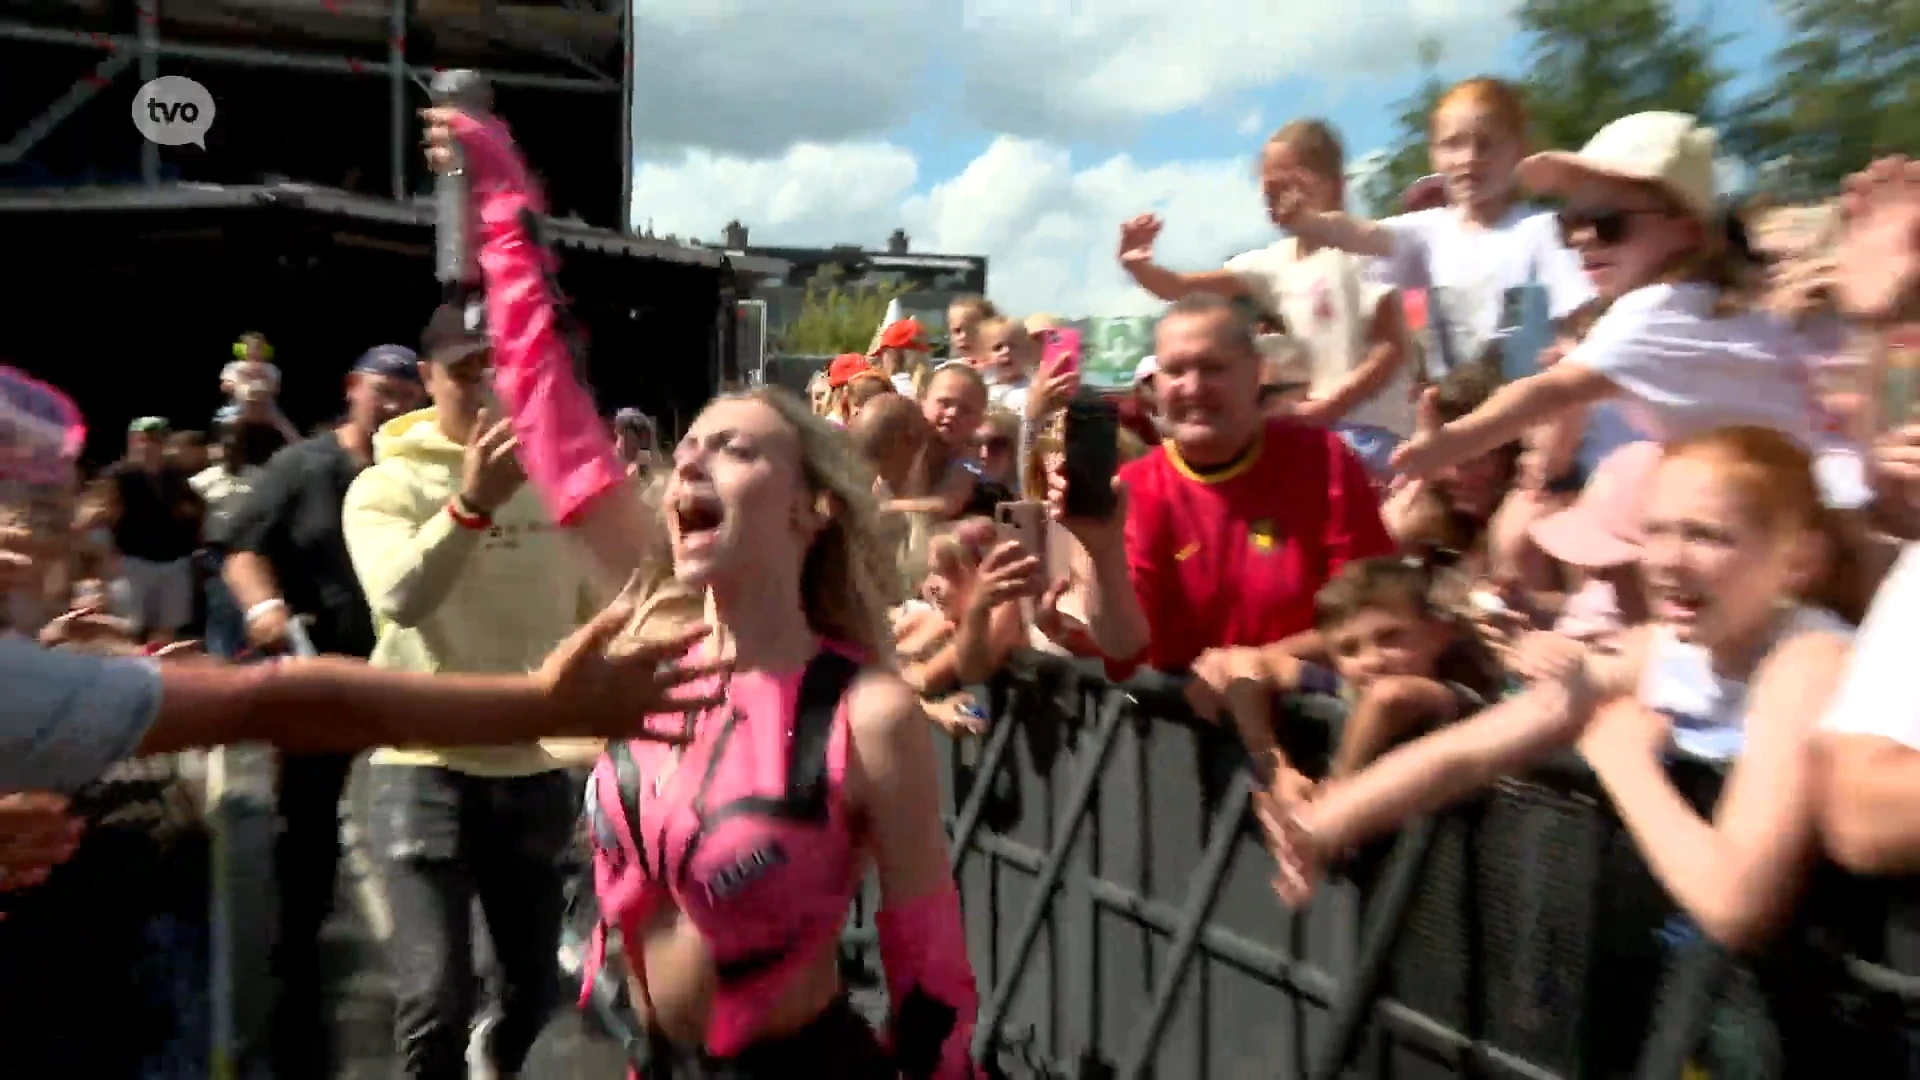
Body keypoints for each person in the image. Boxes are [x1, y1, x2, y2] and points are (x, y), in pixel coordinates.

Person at [422, 100, 989, 1077]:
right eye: (686, 453)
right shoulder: (655, 643)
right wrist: (508, 214)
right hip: (639, 1056)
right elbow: (554, 424)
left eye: (734, 451)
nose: (690, 469)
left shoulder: (867, 710)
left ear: (811, 509)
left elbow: (929, 963)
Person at [1269, 427, 1859, 956]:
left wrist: (1623, 759)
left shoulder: (1807, 660)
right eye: (1656, 532)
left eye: (1707, 536)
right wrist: (1324, 826)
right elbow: (1475, 746)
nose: (1668, 561)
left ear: (1799, 560)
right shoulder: (1659, 649)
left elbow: (1737, 905)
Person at [341, 303, 604, 1080]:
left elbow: (603, 613)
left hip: (529, 768)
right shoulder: (384, 486)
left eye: (505, 371)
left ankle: (497, 1055)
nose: (489, 389)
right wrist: (471, 504)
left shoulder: (560, 488)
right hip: (419, 765)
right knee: (434, 1003)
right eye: (466, 373)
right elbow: (401, 596)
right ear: (426, 380)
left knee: (531, 993)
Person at [1388, 112, 1868, 514]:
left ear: (1686, 232)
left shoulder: (1652, 308)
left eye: (1608, 224)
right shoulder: (1711, 299)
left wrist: (1452, 443)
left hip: (1799, 513)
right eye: (1570, 222)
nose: (1581, 239)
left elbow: (1548, 390)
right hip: (1825, 492)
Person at [221, 341, 424, 1078]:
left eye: (411, 394)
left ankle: (438, 986)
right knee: (305, 837)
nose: (398, 405)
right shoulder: (301, 467)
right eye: (385, 391)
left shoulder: (426, 475)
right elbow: (242, 546)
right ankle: (291, 983)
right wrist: (265, 605)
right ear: (352, 389)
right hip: (319, 669)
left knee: (420, 829)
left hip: (412, 680)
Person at [1047, 293, 1396, 676]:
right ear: (1156, 385)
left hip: (1305, 712)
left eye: (1213, 368)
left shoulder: (1323, 458)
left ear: (1256, 373)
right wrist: (1103, 551)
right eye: (1176, 371)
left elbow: (1370, 614)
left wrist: (1251, 666)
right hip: (1181, 721)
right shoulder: (1136, 486)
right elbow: (1124, 645)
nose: (1193, 388)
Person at [1118, 118, 1413, 476]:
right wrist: (1140, 267)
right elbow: (1180, 288)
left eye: (1288, 187)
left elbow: (1391, 348)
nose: (1274, 201)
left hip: (1372, 434)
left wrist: (1328, 407)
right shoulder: (1275, 263)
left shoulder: (1365, 247)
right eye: (1268, 191)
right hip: (1317, 431)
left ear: (1335, 185)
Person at [109, 416, 204, 645]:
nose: (150, 446)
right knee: (127, 628)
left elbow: (195, 509)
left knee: (167, 631)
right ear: (132, 442)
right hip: (133, 563)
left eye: (157, 440)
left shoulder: (177, 476)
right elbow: (102, 514)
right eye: (144, 440)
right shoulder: (119, 475)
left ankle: (158, 675)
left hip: (173, 564)